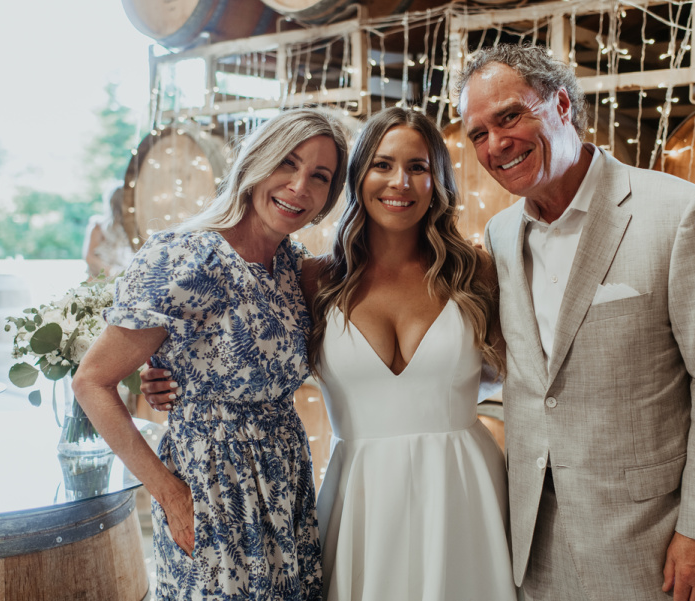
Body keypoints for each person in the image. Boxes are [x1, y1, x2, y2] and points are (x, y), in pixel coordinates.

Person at [143, 107, 518, 601]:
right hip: (360, 491)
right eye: (382, 165)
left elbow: (509, 372)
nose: (399, 182)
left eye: (418, 167)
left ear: (438, 182)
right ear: (358, 178)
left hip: (463, 486)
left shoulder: (477, 272)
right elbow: (248, 342)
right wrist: (167, 372)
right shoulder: (312, 279)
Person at [455, 44, 695, 601]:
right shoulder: (501, 234)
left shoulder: (680, 212)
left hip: (653, 543)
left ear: (561, 104)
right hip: (534, 540)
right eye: (478, 133)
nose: (496, 144)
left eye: (510, 116)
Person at [72, 108, 349, 601]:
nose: (299, 186)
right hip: (212, 488)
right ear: (255, 162)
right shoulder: (185, 256)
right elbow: (91, 382)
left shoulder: (293, 267)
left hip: (285, 487)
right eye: (287, 163)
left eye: (319, 176)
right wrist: (169, 494)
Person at [83, 183, 135, 280]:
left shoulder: (133, 229)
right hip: (99, 279)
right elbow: (90, 257)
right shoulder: (99, 226)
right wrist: (111, 272)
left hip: (122, 279)